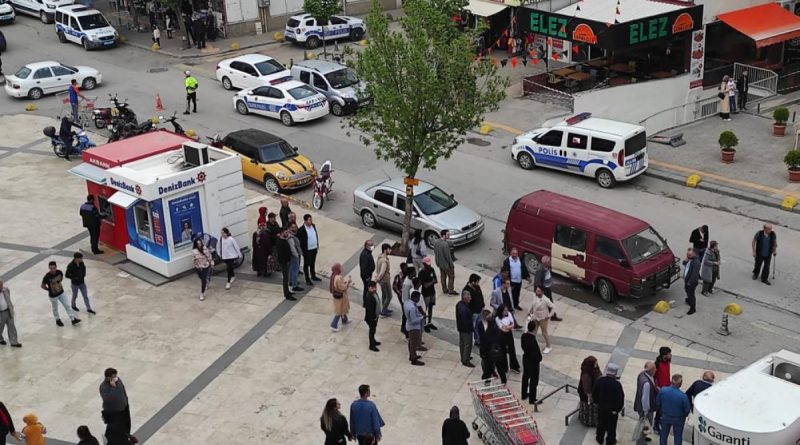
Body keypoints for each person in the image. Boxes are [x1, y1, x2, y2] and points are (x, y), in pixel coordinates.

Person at [593, 363, 625, 445]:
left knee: (601, 423)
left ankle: (599, 438)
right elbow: (620, 399)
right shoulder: (617, 385)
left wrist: (597, 403)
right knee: (611, 426)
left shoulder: (599, 380)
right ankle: (610, 441)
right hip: (612, 411)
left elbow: (594, 393)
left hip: (601, 408)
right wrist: (617, 409)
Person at [41, 261, 80, 327]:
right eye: (51, 268)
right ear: (49, 268)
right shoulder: (47, 277)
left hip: (61, 292)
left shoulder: (59, 272)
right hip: (53, 296)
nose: (52, 270)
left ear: (56, 267)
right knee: (55, 308)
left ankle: (73, 319)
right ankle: (57, 320)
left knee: (67, 305)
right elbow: (42, 286)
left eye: (54, 268)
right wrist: (48, 289)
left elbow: (61, 279)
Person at [656, 374, 690, 445]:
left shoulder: (663, 390)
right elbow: (687, 411)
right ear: (680, 384)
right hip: (679, 419)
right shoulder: (683, 396)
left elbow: (658, 403)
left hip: (665, 416)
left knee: (663, 435)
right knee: (678, 436)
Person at [100, 368, 131, 438]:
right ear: (108, 377)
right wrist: (113, 387)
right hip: (115, 412)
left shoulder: (118, 380)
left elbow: (122, 389)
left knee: (127, 425)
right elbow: (107, 399)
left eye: (115, 376)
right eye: (113, 377)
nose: (115, 378)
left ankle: (127, 438)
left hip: (124, 407)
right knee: (116, 429)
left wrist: (125, 399)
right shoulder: (103, 387)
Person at [634, 361, 658, 442]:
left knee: (644, 425)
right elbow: (645, 398)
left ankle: (643, 438)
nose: (656, 370)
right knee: (645, 424)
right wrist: (645, 411)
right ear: (651, 370)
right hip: (645, 409)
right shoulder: (647, 383)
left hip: (640, 405)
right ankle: (641, 441)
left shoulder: (642, 375)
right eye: (655, 368)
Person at [533, 256, 562, 321]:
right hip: (543, 290)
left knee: (550, 303)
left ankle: (553, 316)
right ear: (546, 263)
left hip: (547, 288)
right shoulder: (540, 270)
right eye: (549, 262)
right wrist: (540, 291)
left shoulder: (546, 267)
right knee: (543, 304)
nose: (550, 263)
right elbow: (538, 282)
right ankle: (536, 315)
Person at [520, 320, 542, 404]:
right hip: (533, 363)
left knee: (525, 377)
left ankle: (524, 393)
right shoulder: (532, 340)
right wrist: (539, 358)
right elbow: (537, 355)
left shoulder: (523, 336)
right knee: (534, 380)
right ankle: (532, 399)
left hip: (526, 359)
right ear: (535, 329)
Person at [527, 286, 554, 353]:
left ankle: (549, 346)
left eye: (538, 291)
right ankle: (532, 344)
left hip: (543, 318)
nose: (537, 292)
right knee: (534, 331)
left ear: (542, 292)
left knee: (544, 332)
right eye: (536, 290)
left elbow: (553, 307)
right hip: (535, 316)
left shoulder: (546, 300)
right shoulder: (534, 296)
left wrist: (549, 315)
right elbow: (532, 304)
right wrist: (529, 311)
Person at [495, 304, 521, 374]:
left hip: (509, 334)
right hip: (502, 335)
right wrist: (507, 327)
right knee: (503, 351)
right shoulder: (497, 318)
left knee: (512, 350)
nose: (506, 312)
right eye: (504, 311)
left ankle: (514, 366)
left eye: (506, 310)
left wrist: (507, 327)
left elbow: (512, 325)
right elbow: (502, 328)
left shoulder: (509, 314)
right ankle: (504, 367)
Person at [297, 214, 321, 285]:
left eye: (311, 219)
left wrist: (317, 245)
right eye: (309, 220)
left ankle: (313, 275)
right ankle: (307, 279)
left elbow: (315, 235)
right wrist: (302, 250)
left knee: (312, 263)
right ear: (305, 221)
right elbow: (299, 241)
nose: (311, 221)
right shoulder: (301, 230)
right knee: (306, 264)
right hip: (307, 250)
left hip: (314, 248)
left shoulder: (313, 226)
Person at [578, 356, 602, 427]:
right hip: (587, 395)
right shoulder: (586, 374)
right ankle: (589, 421)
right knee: (589, 408)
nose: (596, 364)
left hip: (595, 391)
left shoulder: (594, 369)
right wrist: (590, 397)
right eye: (595, 363)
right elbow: (587, 388)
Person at [653, 347, 672, 433]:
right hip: (660, 390)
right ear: (665, 355)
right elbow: (654, 377)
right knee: (660, 409)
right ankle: (656, 425)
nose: (670, 355)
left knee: (663, 408)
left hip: (667, 388)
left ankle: (659, 423)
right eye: (669, 354)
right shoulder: (657, 364)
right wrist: (657, 387)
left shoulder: (668, 362)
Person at [462, 274, 485, 346]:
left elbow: (481, 296)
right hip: (473, 313)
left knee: (479, 326)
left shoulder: (477, 287)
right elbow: (466, 303)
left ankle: (478, 340)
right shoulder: (466, 290)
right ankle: (473, 341)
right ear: (472, 282)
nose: (478, 283)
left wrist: (482, 305)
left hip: (479, 311)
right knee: (473, 328)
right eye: (477, 282)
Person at [404, 291, 425, 366]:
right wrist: (421, 317)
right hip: (413, 328)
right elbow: (413, 320)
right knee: (413, 344)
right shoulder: (412, 308)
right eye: (418, 298)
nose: (419, 299)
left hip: (409, 325)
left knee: (411, 342)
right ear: (415, 298)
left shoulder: (407, 302)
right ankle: (413, 359)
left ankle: (412, 355)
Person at [433, 230, 457, 295]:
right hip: (446, 264)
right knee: (451, 276)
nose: (448, 236)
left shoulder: (436, 242)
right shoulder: (445, 244)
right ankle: (451, 290)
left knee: (443, 276)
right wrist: (451, 264)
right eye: (447, 235)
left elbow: (435, 251)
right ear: (443, 235)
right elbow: (448, 256)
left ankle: (444, 289)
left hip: (439, 263)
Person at [329, 263, 351, 332]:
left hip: (336, 295)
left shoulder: (333, 276)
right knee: (339, 310)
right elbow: (343, 287)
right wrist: (348, 282)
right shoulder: (338, 277)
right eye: (340, 267)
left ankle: (345, 319)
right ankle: (333, 325)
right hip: (340, 296)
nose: (341, 268)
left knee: (341, 308)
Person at [275, 229, 295, 300]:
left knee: (287, 277)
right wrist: (286, 261)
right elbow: (281, 254)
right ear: (281, 233)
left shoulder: (284, 240)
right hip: (284, 262)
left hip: (287, 261)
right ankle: (286, 294)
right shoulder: (279, 242)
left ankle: (288, 291)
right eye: (285, 232)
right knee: (285, 278)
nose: (287, 233)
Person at [419, 257, 438, 332]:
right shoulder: (421, 273)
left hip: (432, 292)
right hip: (426, 294)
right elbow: (425, 285)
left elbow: (436, 280)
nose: (429, 266)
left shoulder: (431, 269)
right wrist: (432, 282)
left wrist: (431, 282)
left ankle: (429, 322)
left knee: (431, 307)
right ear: (424, 264)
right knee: (425, 308)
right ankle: (424, 324)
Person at [455, 290, 474, 367]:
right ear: (465, 297)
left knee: (462, 343)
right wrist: (470, 327)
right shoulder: (464, 309)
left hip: (461, 328)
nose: (470, 298)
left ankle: (463, 357)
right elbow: (466, 320)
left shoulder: (459, 304)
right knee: (467, 344)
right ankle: (466, 360)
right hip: (466, 329)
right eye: (469, 296)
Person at [0, 280, 20, 348]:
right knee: (0, 327)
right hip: (1, 313)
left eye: (1, 285)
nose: (1, 287)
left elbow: (8, 299)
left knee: (12, 326)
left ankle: (14, 341)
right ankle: (0, 338)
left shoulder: (6, 290)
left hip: (8, 311)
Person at [374, 243, 393, 317]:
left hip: (381, 281)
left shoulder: (380, 257)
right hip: (385, 281)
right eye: (389, 249)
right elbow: (382, 272)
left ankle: (385, 308)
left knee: (384, 294)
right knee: (389, 296)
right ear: (385, 250)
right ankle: (384, 310)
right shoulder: (384, 261)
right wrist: (377, 279)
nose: (390, 250)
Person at [364, 281, 381, 352]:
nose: (374, 289)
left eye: (375, 287)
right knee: (372, 330)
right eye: (372, 288)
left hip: (375, 316)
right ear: (368, 288)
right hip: (371, 318)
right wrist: (374, 318)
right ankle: (371, 345)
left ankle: (373, 340)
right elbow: (370, 310)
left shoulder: (374, 293)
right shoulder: (369, 297)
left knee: (373, 330)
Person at [682, 248, 700, 315]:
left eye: (689, 254)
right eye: (687, 254)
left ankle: (693, 308)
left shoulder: (696, 262)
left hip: (691, 282)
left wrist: (690, 282)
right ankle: (689, 300)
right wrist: (687, 258)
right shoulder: (690, 259)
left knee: (691, 294)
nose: (688, 255)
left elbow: (694, 274)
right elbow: (684, 263)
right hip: (687, 280)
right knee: (686, 290)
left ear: (694, 254)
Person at [393, 263, 409, 338]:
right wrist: (400, 294)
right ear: (402, 269)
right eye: (405, 268)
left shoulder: (408, 276)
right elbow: (394, 287)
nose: (406, 270)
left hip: (407, 296)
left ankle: (403, 326)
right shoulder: (398, 277)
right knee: (405, 311)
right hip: (402, 297)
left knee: (405, 312)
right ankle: (404, 328)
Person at [287, 223, 303, 292]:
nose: (294, 228)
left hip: (292, 255)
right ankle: (295, 285)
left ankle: (291, 281)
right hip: (294, 255)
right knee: (295, 270)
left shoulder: (291, 235)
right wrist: (297, 255)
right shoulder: (290, 237)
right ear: (289, 228)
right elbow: (292, 248)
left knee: (291, 268)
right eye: (292, 227)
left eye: (295, 227)